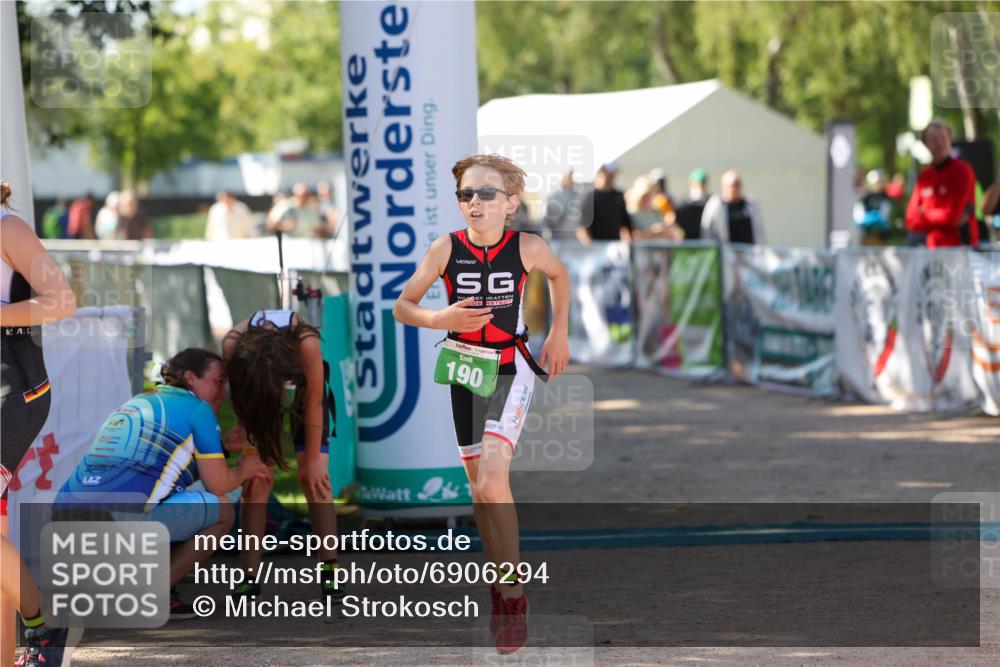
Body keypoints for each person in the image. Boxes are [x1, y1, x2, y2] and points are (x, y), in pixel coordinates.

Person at [393, 154, 570, 653]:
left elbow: (560, 277)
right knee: (478, 490)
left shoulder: (529, 247)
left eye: (485, 194)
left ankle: (514, 597)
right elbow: (402, 305)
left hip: (511, 368)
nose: (474, 202)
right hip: (463, 369)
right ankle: (499, 585)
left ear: (510, 203)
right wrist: (439, 317)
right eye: (466, 195)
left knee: (494, 479)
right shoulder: (446, 248)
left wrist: (558, 335)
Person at [56, 349, 269, 624]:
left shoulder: (139, 401)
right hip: (118, 521)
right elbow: (217, 484)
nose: (224, 392)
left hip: (64, 518)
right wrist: (244, 468)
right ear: (191, 378)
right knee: (222, 510)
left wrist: (224, 448)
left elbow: (166, 472)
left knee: (171, 498)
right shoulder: (199, 409)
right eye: (219, 381)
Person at [0, 180, 77, 667]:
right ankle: (27, 638)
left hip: (11, 394)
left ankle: (41, 623)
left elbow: (62, 300)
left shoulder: (8, 227)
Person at [222, 309, 345, 604]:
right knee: (257, 481)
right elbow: (241, 401)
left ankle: (330, 571)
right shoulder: (233, 345)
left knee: (314, 480)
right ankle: (249, 579)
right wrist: (247, 436)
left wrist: (314, 462)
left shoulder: (306, 343)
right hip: (255, 398)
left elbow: (315, 403)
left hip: (306, 397)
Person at [905, 119, 979, 248]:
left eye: (943, 138)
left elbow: (952, 216)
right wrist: (939, 216)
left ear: (950, 140)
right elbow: (910, 219)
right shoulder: (925, 176)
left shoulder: (962, 171)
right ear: (926, 144)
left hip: (960, 248)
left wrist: (924, 213)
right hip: (931, 249)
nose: (939, 143)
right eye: (933, 139)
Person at [701, 170, 766, 244]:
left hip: (749, 251)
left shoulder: (750, 203)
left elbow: (759, 231)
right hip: (725, 252)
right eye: (733, 186)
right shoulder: (715, 205)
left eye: (738, 185)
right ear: (724, 187)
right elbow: (707, 232)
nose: (736, 189)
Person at [578, 162, 633, 243]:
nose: (611, 177)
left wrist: (628, 244)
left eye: (613, 174)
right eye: (609, 174)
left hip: (615, 246)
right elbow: (583, 227)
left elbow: (625, 223)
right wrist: (589, 247)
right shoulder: (590, 196)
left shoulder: (619, 195)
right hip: (596, 246)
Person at [853, 170, 893, 245]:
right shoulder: (864, 197)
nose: (877, 185)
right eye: (875, 183)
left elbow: (885, 214)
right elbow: (858, 216)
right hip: (866, 234)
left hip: (882, 235)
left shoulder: (885, 197)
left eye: (879, 182)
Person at [542, 169, 582, 241]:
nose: (570, 179)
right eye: (568, 176)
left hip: (576, 242)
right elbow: (547, 221)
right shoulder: (553, 197)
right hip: (558, 241)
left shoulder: (580, 196)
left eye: (571, 176)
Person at [674, 169, 710, 240]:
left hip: (705, 240)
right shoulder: (683, 203)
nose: (700, 187)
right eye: (698, 184)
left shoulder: (711, 202)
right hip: (687, 242)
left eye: (702, 184)